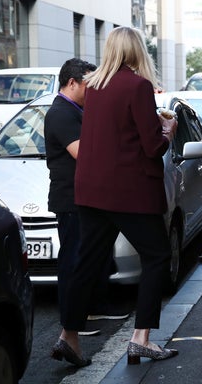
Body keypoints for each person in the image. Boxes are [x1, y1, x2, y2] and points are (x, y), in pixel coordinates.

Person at [51, 27, 178, 367]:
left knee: (87, 262)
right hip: (130, 191)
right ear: (136, 51)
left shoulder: (93, 87)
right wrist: (167, 132)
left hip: (91, 190)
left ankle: (69, 336)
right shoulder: (137, 86)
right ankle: (142, 338)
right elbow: (151, 147)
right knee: (156, 255)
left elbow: (112, 134)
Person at [45, 58, 128, 341]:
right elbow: (84, 152)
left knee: (91, 256)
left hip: (86, 196)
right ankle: (72, 322)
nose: (93, 90)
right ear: (72, 83)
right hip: (70, 198)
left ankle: (93, 308)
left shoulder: (77, 109)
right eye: (89, 85)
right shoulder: (60, 113)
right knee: (73, 260)